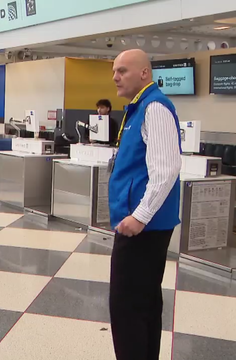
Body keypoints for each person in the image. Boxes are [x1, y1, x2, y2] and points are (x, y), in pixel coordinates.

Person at [108, 49, 181, 360]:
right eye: (114, 71)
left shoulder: (154, 107)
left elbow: (166, 169)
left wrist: (140, 216)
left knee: (127, 310)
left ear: (144, 73)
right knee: (144, 306)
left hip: (142, 230)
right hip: (143, 227)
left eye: (122, 70)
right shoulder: (139, 108)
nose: (115, 77)